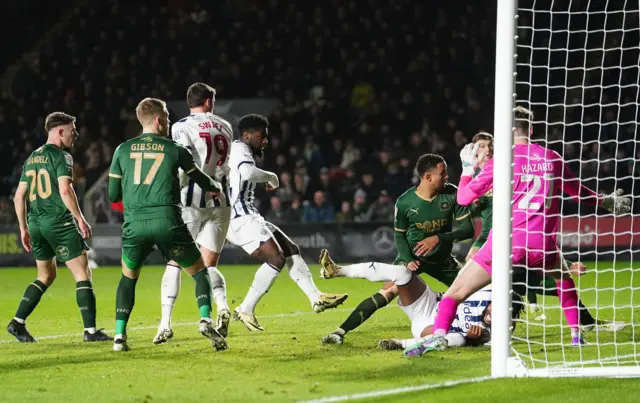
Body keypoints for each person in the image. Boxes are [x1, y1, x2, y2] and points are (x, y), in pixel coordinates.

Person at [406, 106, 631, 356]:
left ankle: (439, 336)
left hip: (506, 245)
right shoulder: (552, 158)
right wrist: (606, 201)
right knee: (563, 279)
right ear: (531, 129)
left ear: (505, 130)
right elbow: (577, 192)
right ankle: (577, 336)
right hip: (543, 246)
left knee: (454, 294)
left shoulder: (501, 161)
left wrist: (469, 170)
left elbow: (463, 198)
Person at [467, 132, 625, 331]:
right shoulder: (480, 178)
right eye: (481, 146)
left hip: (517, 242)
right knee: (505, 284)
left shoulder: (507, 170)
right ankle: (489, 327)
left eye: (490, 145)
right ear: (472, 151)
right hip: (497, 243)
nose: (487, 150)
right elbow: (470, 213)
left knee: (542, 281)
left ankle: (584, 323)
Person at [108, 97, 226, 352]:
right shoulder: (174, 149)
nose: (169, 123)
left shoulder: (122, 150)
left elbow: (112, 195)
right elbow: (200, 179)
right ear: (159, 120)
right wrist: (215, 187)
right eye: (168, 119)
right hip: (168, 221)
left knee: (128, 278)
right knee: (199, 272)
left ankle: (119, 336)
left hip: (135, 224)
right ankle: (205, 318)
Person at [321, 154, 474, 344]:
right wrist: (408, 258)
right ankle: (340, 331)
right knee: (388, 292)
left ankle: (483, 331)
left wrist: (438, 238)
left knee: (475, 290)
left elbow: (468, 230)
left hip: (443, 260)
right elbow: (399, 235)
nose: (447, 177)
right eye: (443, 173)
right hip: (414, 257)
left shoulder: (453, 194)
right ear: (428, 177)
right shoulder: (405, 202)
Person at [226, 114, 348, 331]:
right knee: (276, 258)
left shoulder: (240, 149)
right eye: (261, 135)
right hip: (240, 217)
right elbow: (247, 172)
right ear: (246, 136)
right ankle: (245, 308)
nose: (265, 140)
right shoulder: (239, 149)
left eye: (266, 135)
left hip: (248, 213)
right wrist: (272, 177)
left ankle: (315, 297)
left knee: (292, 249)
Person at [8, 112, 111, 343]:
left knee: (45, 275)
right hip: (59, 223)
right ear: (60, 131)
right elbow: (65, 190)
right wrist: (80, 219)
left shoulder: (32, 158)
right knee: (82, 273)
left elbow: (18, 197)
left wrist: (24, 229)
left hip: (36, 224)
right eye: (72, 131)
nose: (75, 135)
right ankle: (91, 331)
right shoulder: (62, 157)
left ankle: (18, 322)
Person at [153, 83, 233, 345]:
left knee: (175, 263)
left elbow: (183, 161)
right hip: (220, 201)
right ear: (209, 101)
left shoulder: (181, 126)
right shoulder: (225, 126)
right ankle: (222, 308)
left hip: (190, 202)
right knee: (209, 264)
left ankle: (165, 324)